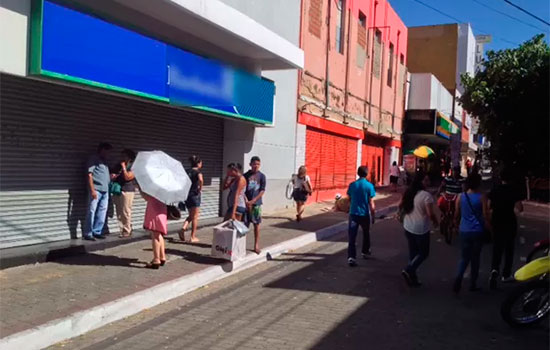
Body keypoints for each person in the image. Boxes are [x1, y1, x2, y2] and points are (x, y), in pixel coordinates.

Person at [453, 173, 492, 293]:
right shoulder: (482, 197)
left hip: (464, 230)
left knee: (464, 258)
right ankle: (472, 284)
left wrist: (456, 226)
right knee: (475, 258)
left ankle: (458, 278)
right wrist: (490, 227)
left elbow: (456, 214)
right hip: (477, 231)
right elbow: (485, 215)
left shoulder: (461, 196)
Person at [399, 172, 439, 287]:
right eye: (425, 180)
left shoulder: (409, 192)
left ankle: (413, 278)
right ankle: (409, 269)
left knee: (413, 253)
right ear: (420, 182)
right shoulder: (426, 196)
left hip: (408, 226)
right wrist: (436, 223)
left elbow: (400, 205)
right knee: (424, 253)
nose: (428, 182)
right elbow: (430, 214)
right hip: (420, 229)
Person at [488, 168, 524, 289]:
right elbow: (520, 208)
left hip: (497, 221)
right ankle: (506, 274)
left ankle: (494, 269)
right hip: (509, 222)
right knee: (509, 249)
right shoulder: (513, 190)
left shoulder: (495, 190)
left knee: (497, 248)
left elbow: (488, 206)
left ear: (501, 178)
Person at [346, 166, 376, 267]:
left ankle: (351, 257)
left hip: (353, 213)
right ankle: (365, 251)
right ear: (367, 174)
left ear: (358, 173)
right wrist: (373, 214)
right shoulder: (369, 186)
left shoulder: (352, 185)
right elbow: (371, 203)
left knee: (352, 237)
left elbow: (349, 199)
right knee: (366, 233)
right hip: (364, 214)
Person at [84, 142, 112, 241]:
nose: (107, 154)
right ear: (101, 150)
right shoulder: (94, 159)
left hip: (105, 190)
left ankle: (97, 231)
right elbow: (89, 175)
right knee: (92, 211)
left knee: (102, 211)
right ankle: (88, 233)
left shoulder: (105, 161)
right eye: (106, 151)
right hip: (96, 189)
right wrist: (92, 190)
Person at [112, 149, 136, 238]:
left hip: (128, 190)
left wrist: (124, 167)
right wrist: (114, 176)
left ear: (129, 158)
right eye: (122, 156)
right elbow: (114, 174)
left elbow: (127, 177)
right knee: (119, 211)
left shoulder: (133, 166)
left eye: (124, 156)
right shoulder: (119, 166)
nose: (122, 158)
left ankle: (127, 230)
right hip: (118, 190)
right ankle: (122, 229)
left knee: (126, 211)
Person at [244, 156, 267, 254]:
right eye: (254, 164)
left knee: (256, 225)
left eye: (258, 164)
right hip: (245, 204)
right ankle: (241, 246)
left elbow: (262, 190)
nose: (256, 166)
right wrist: (246, 201)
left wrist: (253, 201)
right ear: (250, 164)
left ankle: (256, 245)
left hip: (256, 204)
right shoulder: (245, 175)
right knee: (244, 225)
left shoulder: (262, 176)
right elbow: (242, 189)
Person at [180, 155, 203, 243]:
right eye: (201, 163)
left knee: (191, 215)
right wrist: (200, 188)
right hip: (195, 195)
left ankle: (183, 228)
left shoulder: (186, 171)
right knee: (195, 217)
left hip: (187, 195)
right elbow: (200, 180)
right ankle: (192, 237)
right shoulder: (198, 172)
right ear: (198, 164)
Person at [142, 192, 167, 269]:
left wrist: (141, 191)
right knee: (159, 233)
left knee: (155, 234)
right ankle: (162, 256)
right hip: (162, 209)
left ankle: (156, 259)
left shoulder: (154, 187)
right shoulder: (166, 187)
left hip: (154, 209)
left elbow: (146, 197)